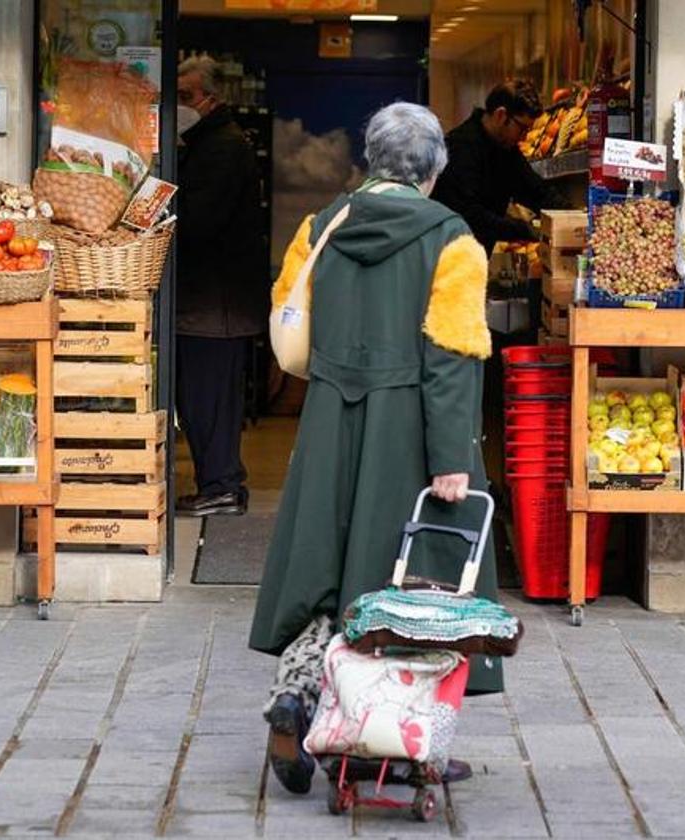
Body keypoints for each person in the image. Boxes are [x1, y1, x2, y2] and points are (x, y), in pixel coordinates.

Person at [249, 102, 501, 795]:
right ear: (435, 169)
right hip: (409, 432)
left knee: (323, 572)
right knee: (411, 588)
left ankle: (297, 694)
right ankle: (390, 738)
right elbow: (452, 356)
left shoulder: (320, 226)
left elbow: (287, 310)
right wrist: (453, 457)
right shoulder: (454, 242)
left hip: (330, 416)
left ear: (371, 159)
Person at [175, 56, 269, 517]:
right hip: (211, 304)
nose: (180, 105)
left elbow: (202, 221)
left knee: (208, 399)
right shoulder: (207, 142)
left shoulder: (223, 147)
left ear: (212, 98)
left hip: (216, 306)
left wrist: (160, 214)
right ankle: (217, 483)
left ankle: (222, 486)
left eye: (187, 96)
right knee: (201, 398)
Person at [431, 79, 566, 254]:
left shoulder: (506, 150)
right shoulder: (461, 147)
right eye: (522, 128)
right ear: (501, 115)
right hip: (447, 260)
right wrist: (523, 230)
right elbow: (468, 214)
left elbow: (536, 191)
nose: (524, 137)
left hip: (472, 259)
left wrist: (572, 216)